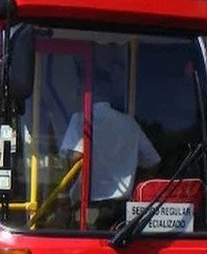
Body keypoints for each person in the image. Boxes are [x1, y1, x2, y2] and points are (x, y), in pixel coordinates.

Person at [58, 70, 160, 228]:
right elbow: (153, 162)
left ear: (86, 92)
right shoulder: (129, 123)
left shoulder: (80, 119)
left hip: (87, 211)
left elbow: (77, 157)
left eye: (79, 90)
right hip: (121, 212)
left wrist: (63, 192)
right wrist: (134, 186)